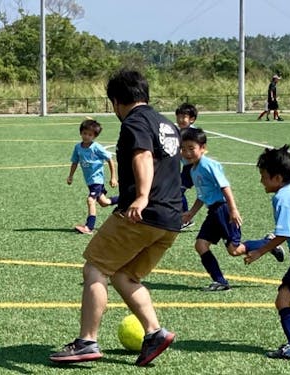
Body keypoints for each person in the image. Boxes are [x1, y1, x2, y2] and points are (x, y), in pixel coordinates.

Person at [50, 69, 182, 367]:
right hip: (170, 220)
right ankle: (155, 333)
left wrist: (142, 196)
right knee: (125, 275)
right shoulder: (166, 123)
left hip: (142, 215)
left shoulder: (135, 121)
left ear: (116, 101)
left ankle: (87, 340)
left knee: (95, 268)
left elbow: (143, 157)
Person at [181, 127, 285, 291]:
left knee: (235, 250)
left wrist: (233, 209)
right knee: (201, 245)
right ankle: (220, 281)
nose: (187, 153)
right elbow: (202, 195)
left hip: (223, 210)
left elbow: (225, 186)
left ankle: (269, 243)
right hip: (213, 211)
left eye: (191, 148)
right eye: (184, 149)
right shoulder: (193, 169)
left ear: (203, 148)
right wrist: (191, 213)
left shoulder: (208, 165)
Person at [244, 145, 290, 360]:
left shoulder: (282, 198)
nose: (261, 181)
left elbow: (284, 233)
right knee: (283, 298)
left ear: (277, 178)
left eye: (263, 176)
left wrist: (259, 252)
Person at [67, 118, 118, 234]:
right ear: (81, 133)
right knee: (104, 202)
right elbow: (75, 162)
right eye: (84, 133)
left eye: (90, 135)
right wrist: (70, 176)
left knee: (91, 200)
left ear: (94, 136)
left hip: (97, 180)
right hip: (89, 181)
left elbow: (110, 159)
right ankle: (127, 198)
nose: (86, 136)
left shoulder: (96, 147)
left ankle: (89, 227)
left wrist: (113, 177)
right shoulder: (78, 148)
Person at [175, 103, 198, 229]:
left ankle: (185, 218)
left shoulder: (192, 133)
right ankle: (184, 217)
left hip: (193, 168)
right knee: (177, 190)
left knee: (178, 191)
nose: (180, 120)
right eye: (178, 117)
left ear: (192, 119)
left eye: (184, 117)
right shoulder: (179, 131)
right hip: (187, 168)